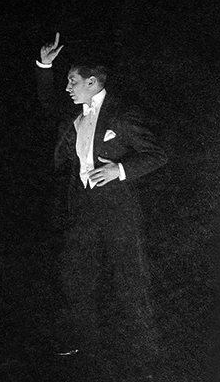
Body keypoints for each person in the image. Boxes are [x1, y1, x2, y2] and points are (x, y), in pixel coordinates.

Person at [37, 33, 167, 377]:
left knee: (129, 277)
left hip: (117, 207)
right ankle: (86, 344)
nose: (68, 86)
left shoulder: (122, 114)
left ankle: (146, 351)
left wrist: (120, 169)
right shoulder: (73, 113)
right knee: (75, 275)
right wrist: (46, 65)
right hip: (82, 205)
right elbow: (47, 102)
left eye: (73, 81)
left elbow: (157, 154)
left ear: (92, 82)